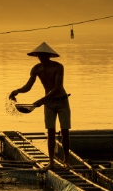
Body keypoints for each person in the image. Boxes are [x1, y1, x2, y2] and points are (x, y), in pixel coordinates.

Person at [9, 42, 71, 171]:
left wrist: (41, 100)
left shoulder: (58, 67)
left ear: (49, 56)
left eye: (44, 55)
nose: (42, 57)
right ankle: (51, 162)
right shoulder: (36, 69)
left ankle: (66, 161)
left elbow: (57, 87)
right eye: (40, 55)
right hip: (49, 104)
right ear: (37, 56)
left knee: (65, 132)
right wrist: (17, 91)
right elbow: (28, 86)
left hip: (62, 102)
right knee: (50, 132)